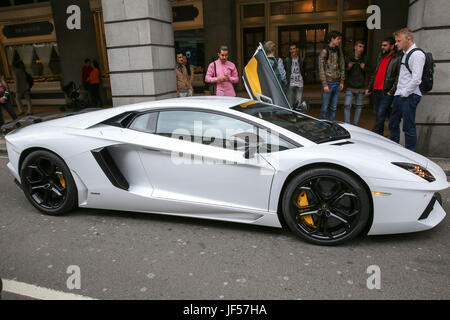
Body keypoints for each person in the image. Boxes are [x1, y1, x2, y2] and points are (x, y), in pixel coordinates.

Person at [389, 28, 425, 151]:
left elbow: (416, 79)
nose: (396, 43)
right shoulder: (405, 54)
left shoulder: (417, 55)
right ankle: (395, 151)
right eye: (396, 41)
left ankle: (411, 155)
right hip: (400, 95)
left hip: (409, 95)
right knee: (393, 123)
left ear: (408, 39)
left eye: (399, 41)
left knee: (408, 127)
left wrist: (404, 93)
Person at [366, 37, 403, 136]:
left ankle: (375, 133)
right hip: (376, 90)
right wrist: (369, 87)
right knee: (378, 113)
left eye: (385, 45)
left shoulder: (398, 58)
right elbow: (375, 73)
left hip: (386, 91)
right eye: (382, 45)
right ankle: (379, 135)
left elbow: (399, 76)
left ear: (392, 46)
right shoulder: (380, 56)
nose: (382, 47)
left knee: (381, 113)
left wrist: (392, 91)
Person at [318, 31, 345, 121]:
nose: (339, 41)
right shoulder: (324, 51)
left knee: (333, 107)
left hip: (337, 82)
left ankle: (331, 124)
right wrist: (324, 84)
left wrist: (342, 81)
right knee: (325, 107)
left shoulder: (338, 50)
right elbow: (321, 68)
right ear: (332, 39)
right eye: (338, 39)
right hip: (328, 83)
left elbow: (342, 65)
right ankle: (323, 125)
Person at [344, 40, 368, 126]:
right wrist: (348, 67)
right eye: (359, 46)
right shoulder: (348, 58)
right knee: (347, 105)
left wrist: (364, 68)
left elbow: (371, 71)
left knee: (359, 106)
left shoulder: (365, 58)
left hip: (360, 87)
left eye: (362, 47)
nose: (361, 49)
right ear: (355, 47)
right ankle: (347, 124)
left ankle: (355, 124)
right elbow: (343, 71)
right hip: (350, 86)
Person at [284, 42, 305, 108]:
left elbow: (304, 71)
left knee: (298, 102)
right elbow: (285, 71)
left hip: (300, 82)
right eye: (291, 49)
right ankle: (291, 116)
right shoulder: (287, 60)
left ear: (297, 49)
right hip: (291, 82)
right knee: (290, 102)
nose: (292, 50)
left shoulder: (302, 60)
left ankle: (296, 115)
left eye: (294, 49)